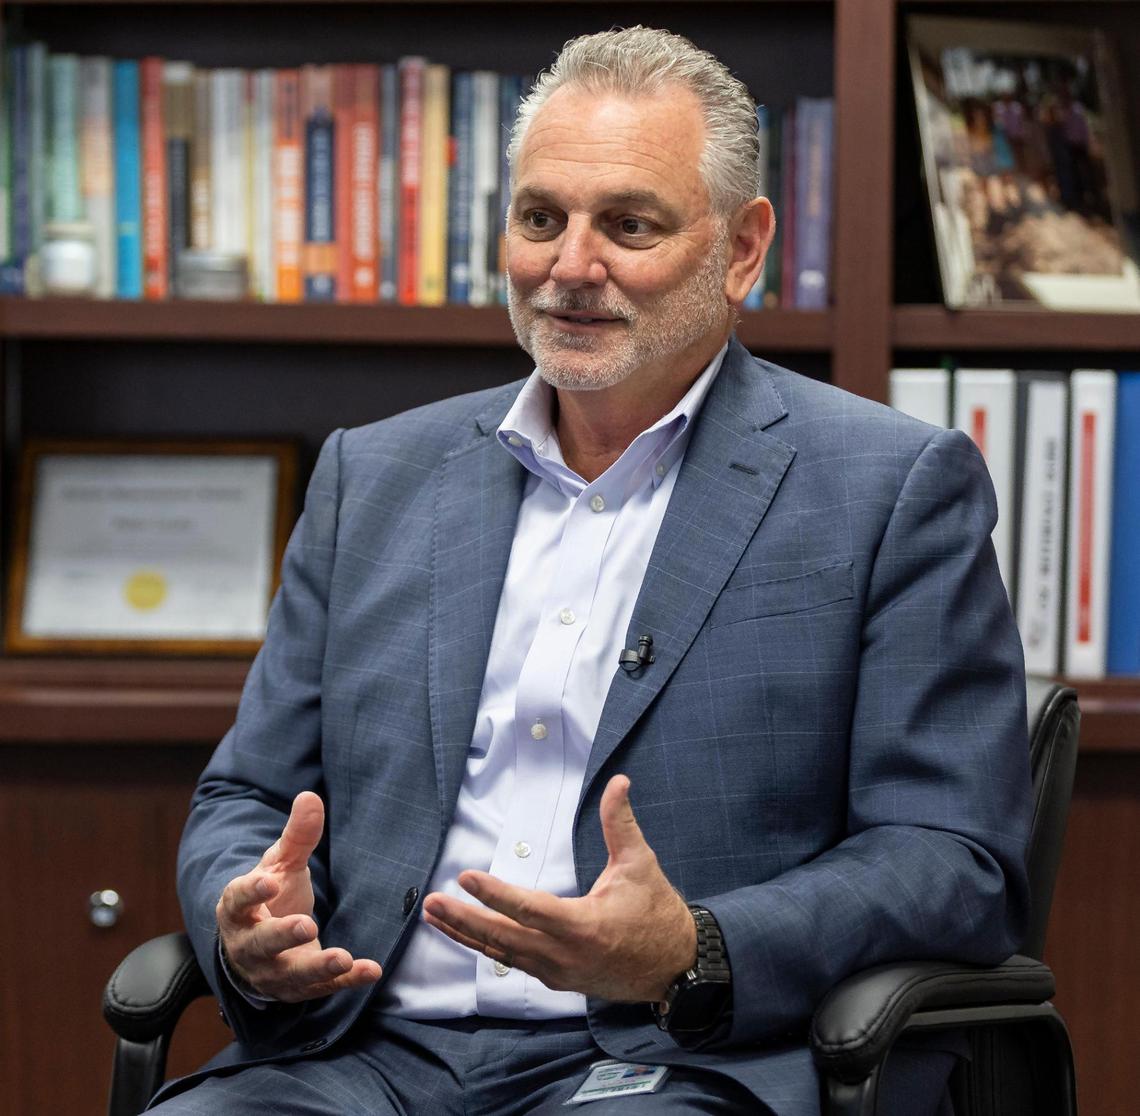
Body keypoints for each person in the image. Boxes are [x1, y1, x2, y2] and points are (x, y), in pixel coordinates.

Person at [151, 26, 1031, 1116]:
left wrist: (695, 947)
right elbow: (246, 794)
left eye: (628, 224)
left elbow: (954, 859)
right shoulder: (370, 475)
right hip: (360, 1056)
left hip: (674, 1062)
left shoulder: (892, 488)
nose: (571, 267)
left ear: (743, 250)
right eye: (540, 220)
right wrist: (246, 921)